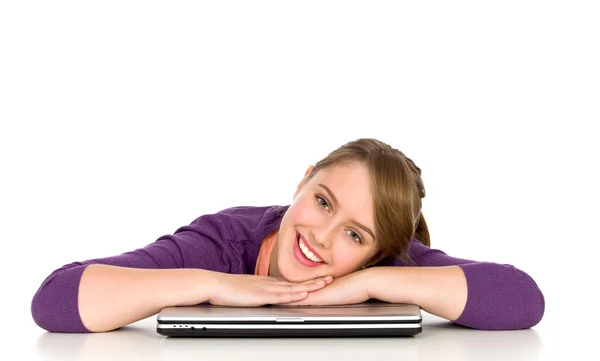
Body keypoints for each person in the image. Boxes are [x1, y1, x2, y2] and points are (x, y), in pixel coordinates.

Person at [31, 138, 545, 333]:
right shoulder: (223, 240)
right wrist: (211, 285)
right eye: (322, 201)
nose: (320, 236)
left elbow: (523, 301)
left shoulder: (384, 265)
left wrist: (373, 286)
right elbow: (54, 301)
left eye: (354, 235)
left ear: (376, 253)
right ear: (303, 181)